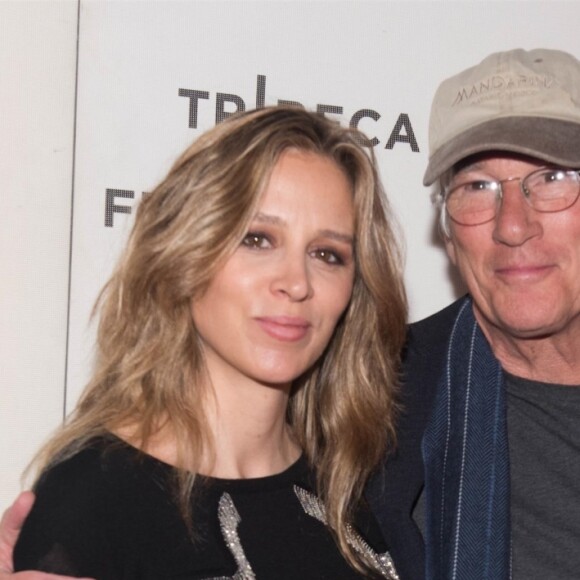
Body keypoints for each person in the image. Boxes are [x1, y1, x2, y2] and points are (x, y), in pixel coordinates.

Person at [1, 106, 407, 579]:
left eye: (327, 254)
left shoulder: (354, 489)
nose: (296, 283)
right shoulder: (94, 496)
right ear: (187, 253)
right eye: (257, 239)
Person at [368, 47, 580, 580]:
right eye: (477, 188)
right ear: (446, 229)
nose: (512, 225)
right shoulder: (374, 407)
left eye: (554, 178)